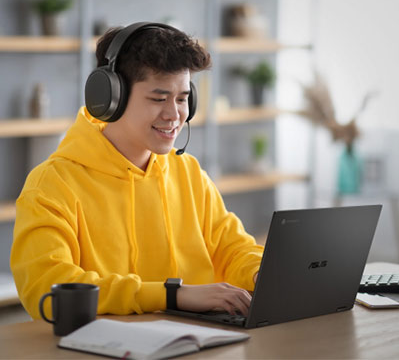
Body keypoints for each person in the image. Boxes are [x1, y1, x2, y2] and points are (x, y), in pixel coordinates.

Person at [10, 22, 263, 319]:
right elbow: (48, 289)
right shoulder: (52, 184)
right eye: (159, 98)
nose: (174, 115)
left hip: (198, 343)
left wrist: (263, 275)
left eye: (182, 99)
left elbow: (233, 249)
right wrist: (173, 295)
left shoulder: (189, 173)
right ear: (109, 98)